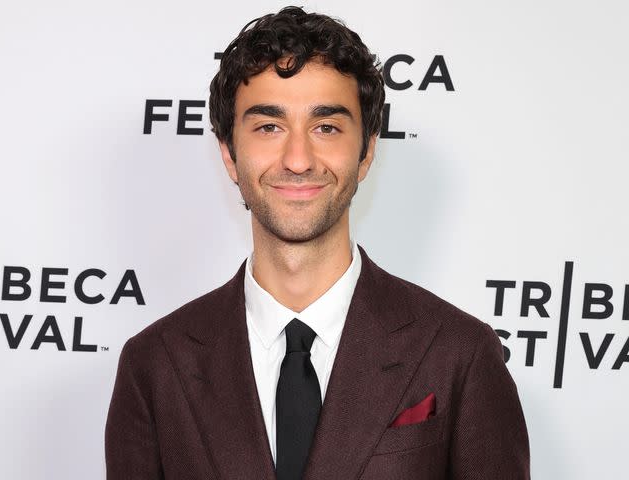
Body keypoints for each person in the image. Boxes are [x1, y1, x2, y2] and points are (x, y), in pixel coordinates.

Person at [105, 6, 530, 479]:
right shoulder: (155, 366)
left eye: (326, 127)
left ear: (367, 151)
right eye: (269, 127)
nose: (299, 159)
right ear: (228, 154)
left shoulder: (459, 354)